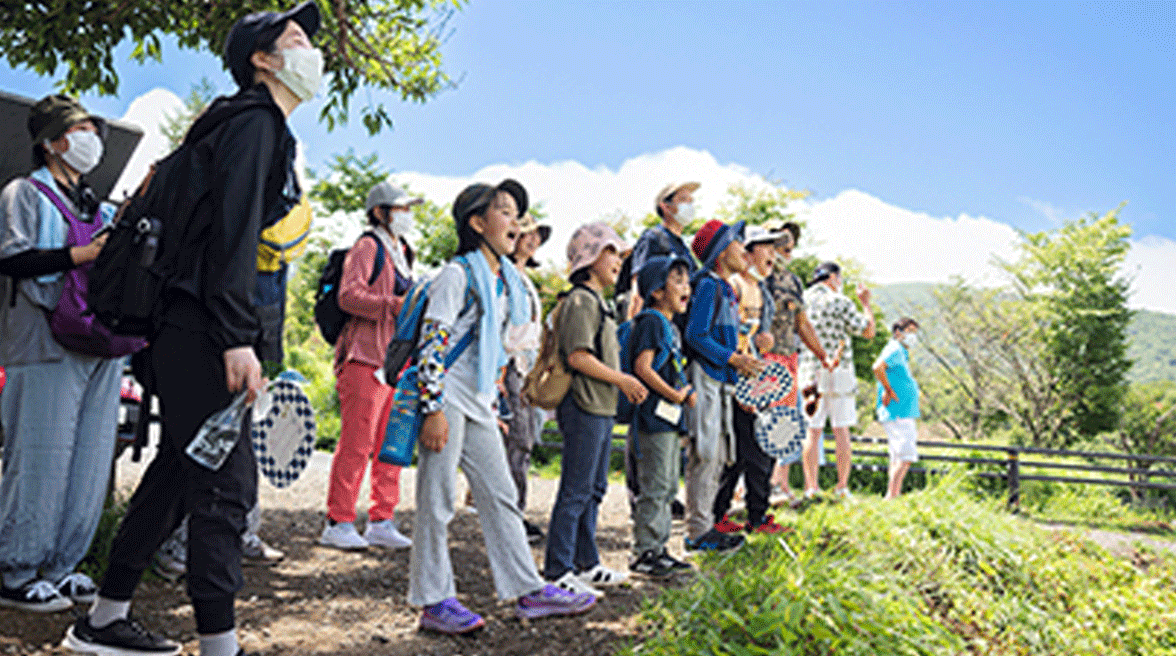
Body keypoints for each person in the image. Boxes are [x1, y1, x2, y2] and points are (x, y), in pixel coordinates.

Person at [65, 4, 322, 655]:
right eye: (296, 38)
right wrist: (237, 336)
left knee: (179, 476)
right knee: (224, 489)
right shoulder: (256, 123)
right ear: (262, 60)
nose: (311, 51)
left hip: (183, 325)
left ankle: (104, 620)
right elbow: (232, 237)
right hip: (203, 329)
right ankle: (219, 645)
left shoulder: (240, 125)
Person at [409, 180, 596, 635]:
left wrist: (493, 406)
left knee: (501, 496)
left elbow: (492, 353)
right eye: (505, 212)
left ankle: (527, 589)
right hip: (446, 399)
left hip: (478, 403)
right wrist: (432, 408)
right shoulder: (456, 275)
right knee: (437, 501)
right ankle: (433, 600)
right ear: (477, 223)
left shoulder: (502, 282)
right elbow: (432, 344)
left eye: (516, 213)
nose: (516, 222)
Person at [0, 95, 121, 612]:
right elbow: (11, 259)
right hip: (43, 340)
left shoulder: (101, 207)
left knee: (89, 461)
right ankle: (16, 571)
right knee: (40, 458)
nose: (91, 138)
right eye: (80, 129)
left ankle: (62, 566)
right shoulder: (23, 194)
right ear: (51, 142)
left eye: (94, 129)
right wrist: (82, 254)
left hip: (99, 342)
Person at [542, 222, 643, 598]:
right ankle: (558, 569)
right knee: (576, 490)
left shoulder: (599, 302)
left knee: (594, 489)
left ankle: (587, 563)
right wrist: (622, 379)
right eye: (610, 252)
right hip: (583, 406)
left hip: (600, 407)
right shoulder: (581, 301)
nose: (618, 261)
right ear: (588, 258)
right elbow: (578, 356)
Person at [320, 181, 420, 551]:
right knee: (357, 442)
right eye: (401, 208)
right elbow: (348, 296)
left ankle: (382, 519)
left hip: (394, 360)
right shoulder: (367, 246)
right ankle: (339, 520)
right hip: (363, 356)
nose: (407, 215)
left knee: (391, 444)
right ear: (380, 212)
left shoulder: (403, 251)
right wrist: (394, 305)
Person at [682, 219, 762, 552]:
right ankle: (697, 531)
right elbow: (695, 335)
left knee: (717, 455)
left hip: (721, 380)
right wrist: (732, 359)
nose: (744, 249)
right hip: (706, 377)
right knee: (706, 453)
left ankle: (705, 526)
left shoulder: (725, 289)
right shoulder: (708, 287)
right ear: (720, 252)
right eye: (737, 242)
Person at [621, 182, 700, 516]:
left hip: (675, 339)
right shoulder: (654, 239)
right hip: (653, 335)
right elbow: (638, 286)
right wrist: (636, 329)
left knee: (669, 420)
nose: (690, 205)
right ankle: (639, 493)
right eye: (684, 200)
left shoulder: (684, 247)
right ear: (666, 206)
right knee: (647, 415)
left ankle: (664, 491)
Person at [711, 227, 788, 535]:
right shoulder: (734, 286)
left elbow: (753, 338)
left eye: (775, 248)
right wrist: (740, 384)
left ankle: (721, 515)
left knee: (745, 455)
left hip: (754, 378)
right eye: (766, 247)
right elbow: (725, 335)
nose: (773, 255)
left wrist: (764, 342)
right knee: (755, 451)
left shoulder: (763, 293)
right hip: (735, 380)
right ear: (749, 251)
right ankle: (754, 518)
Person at [626, 255, 696, 578]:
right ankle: (645, 552)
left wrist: (682, 394)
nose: (686, 288)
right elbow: (642, 368)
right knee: (655, 486)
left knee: (667, 486)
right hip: (652, 419)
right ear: (656, 290)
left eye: (687, 281)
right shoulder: (652, 321)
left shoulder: (670, 327)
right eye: (677, 281)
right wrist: (674, 394)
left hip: (667, 419)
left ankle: (659, 548)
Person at [760, 222, 829, 502]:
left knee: (788, 424)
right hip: (761, 360)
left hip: (789, 359)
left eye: (790, 248)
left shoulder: (793, 282)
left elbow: (802, 323)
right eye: (782, 247)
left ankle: (781, 485)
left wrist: (822, 354)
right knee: (762, 424)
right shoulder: (755, 278)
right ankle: (750, 489)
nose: (786, 253)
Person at [798, 261, 876, 501]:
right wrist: (865, 304)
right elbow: (868, 331)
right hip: (839, 370)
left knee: (812, 431)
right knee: (841, 430)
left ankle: (811, 487)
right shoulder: (841, 302)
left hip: (810, 370)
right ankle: (842, 487)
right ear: (833, 278)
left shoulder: (803, 300)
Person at [503, 212, 550, 544]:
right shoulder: (503, 274)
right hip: (510, 363)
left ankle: (511, 510)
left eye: (537, 235)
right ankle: (511, 515)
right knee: (519, 439)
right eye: (528, 233)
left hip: (527, 365)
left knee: (525, 438)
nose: (533, 239)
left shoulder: (524, 278)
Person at [873, 318, 921, 499]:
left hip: (902, 409)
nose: (913, 336)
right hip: (899, 410)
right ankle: (892, 495)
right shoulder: (894, 349)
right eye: (909, 331)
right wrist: (888, 390)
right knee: (906, 455)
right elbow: (877, 367)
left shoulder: (900, 351)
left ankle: (894, 493)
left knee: (897, 456)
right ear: (898, 332)